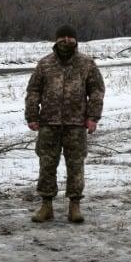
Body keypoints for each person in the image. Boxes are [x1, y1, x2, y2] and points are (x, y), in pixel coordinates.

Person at [25, 25, 104, 224]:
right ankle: (46, 205)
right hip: (48, 123)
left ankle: (74, 205)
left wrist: (93, 117)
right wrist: (32, 116)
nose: (66, 41)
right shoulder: (44, 64)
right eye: (63, 37)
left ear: (76, 40)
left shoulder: (87, 64)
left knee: (76, 165)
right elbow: (33, 91)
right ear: (56, 39)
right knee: (47, 164)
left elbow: (96, 91)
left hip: (76, 124)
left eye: (70, 37)